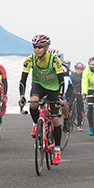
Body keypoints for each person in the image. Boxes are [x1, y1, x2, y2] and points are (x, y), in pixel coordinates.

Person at [18, 34, 65, 165]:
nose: (37, 49)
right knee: (33, 102)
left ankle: (56, 149)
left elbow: (61, 80)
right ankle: (36, 125)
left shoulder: (54, 60)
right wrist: (22, 96)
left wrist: (60, 96)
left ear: (46, 47)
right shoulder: (30, 59)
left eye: (40, 47)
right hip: (38, 85)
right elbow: (23, 80)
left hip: (53, 88)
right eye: (35, 47)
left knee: (56, 118)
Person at [71, 62, 85, 131]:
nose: (79, 70)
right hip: (73, 93)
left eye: (81, 69)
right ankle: (69, 124)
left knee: (79, 110)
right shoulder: (72, 75)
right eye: (78, 69)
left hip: (80, 94)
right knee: (70, 108)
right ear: (75, 69)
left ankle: (79, 125)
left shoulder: (84, 76)